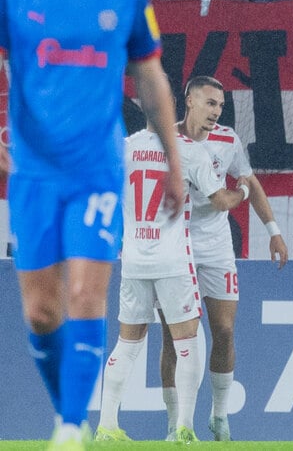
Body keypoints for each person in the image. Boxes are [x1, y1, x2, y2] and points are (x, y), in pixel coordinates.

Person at [0, 0, 184, 450]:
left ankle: (73, 428)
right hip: (33, 174)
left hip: (98, 170)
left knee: (85, 297)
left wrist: (174, 159)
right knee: (40, 310)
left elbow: (150, 78)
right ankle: (68, 412)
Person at [95, 121, 251, 443]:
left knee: (127, 344)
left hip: (134, 261)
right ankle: (184, 428)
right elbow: (219, 200)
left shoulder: (123, 148)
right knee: (186, 343)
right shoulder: (188, 150)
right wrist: (244, 189)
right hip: (173, 262)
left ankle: (106, 426)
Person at [159, 75, 288, 442]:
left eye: (220, 105)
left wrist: (274, 230)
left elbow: (251, 181)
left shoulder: (228, 140)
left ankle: (219, 414)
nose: (216, 111)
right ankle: (174, 423)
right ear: (189, 101)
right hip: (174, 246)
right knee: (172, 338)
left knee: (225, 331)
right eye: (210, 102)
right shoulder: (165, 140)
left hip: (216, 247)